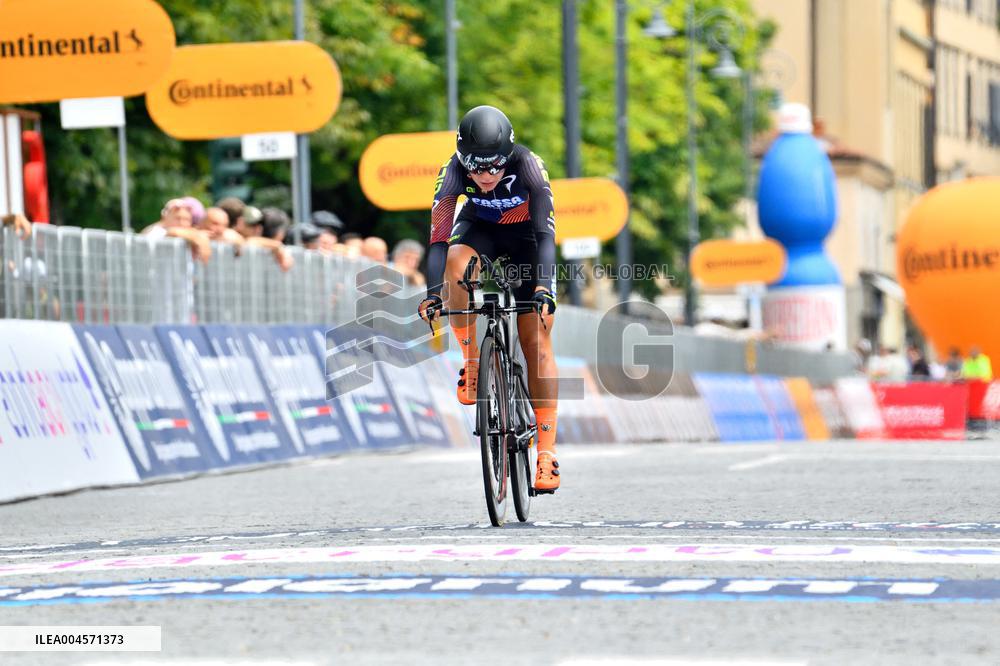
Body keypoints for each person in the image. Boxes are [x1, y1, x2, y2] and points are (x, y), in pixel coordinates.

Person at [417, 105, 560, 492]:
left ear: (507, 155)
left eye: (493, 167)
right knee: (456, 262)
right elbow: (437, 241)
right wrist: (433, 295)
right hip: (480, 231)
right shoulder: (452, 172)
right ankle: (472, 362)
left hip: (528, 242)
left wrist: (544, 287)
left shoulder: (528, 165)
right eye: (474, 167)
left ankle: (546, 455)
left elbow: (547, 237)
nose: (483, 176)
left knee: (537, 340)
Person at [141, 198, 211, 263]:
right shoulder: (155, 231)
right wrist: (197, 236)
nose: (182, 223)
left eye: (186, 219)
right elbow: (170, 232)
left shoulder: (188, 236)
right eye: (178, 218)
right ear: (165, 217)